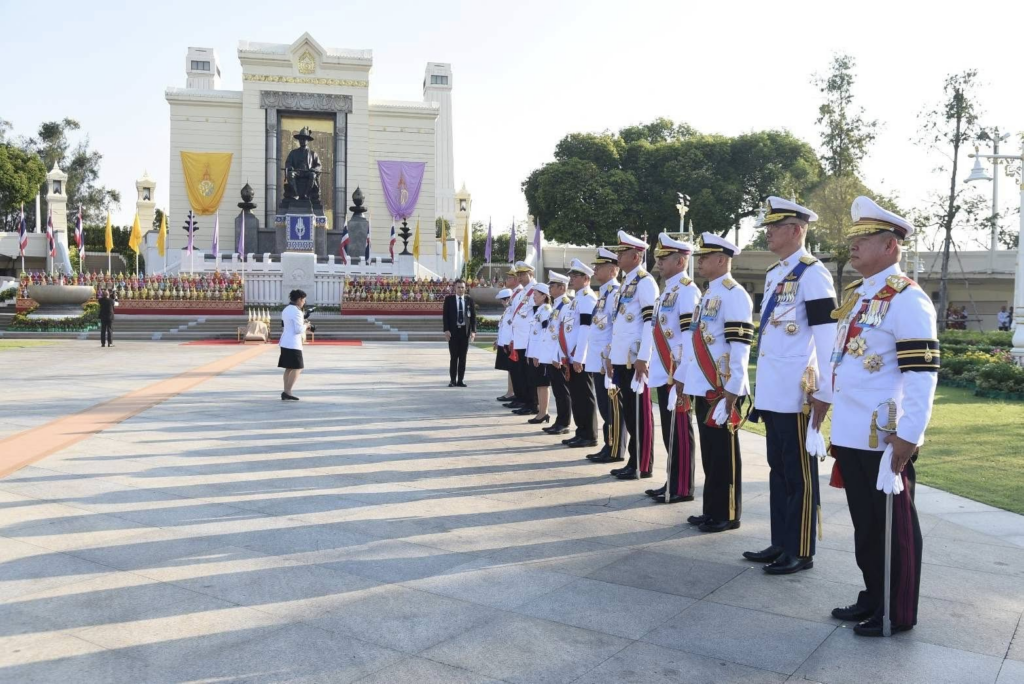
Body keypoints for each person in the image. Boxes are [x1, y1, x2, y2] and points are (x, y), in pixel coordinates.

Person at [829, 196, 938, 637]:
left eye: (865, 238)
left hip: (885, 435)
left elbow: (921, 374)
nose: (853, 245)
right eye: (853, 238)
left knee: (893, 528)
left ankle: (897, 610)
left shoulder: (908, 299)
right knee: (866, 526)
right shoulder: (860, 296)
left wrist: (910, 434)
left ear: (890, 246)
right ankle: (874, 595)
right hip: (852, 430)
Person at [743, 198, 838, 574]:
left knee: (799, 475)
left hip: (799, 393)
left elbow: (827, 338)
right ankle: (780, 541)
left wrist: (824, 392)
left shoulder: (812, 274)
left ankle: (800, 549)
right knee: (778, 470)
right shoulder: (776, 273)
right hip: (774, 390)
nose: (767, 233)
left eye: (774, 227)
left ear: (797, 230)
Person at [674, 232, 753, 533]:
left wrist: (733, 389)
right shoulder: (709, 294)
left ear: (721, 260)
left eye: (705, 257)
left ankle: (728, 513)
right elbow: (695, 340)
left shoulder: (734, 294)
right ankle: (711, 510)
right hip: (703, 384)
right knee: (710, 453)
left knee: (724, 454)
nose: (700, 262)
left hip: (722, 388)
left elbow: (740, 346)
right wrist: (683, 377)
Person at [642, 233, 701, 504]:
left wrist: (682, 374)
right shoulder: (667, 290)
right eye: (658, 258)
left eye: (664, 258)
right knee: (669, 430)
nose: (659, 262)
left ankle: (683, 486)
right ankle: (672, 480)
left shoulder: (687, 290)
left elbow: (690, 335)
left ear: (680, 261)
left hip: (676, 372)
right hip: (664, 371)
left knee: (680, 430)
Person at [609, 230, 660, 480]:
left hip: (634, 359)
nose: (618, 256)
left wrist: (644, 357)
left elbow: (651, 322)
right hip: (623, 358)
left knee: (639, 413)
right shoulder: (627, 282)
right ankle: (634, 460)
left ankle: (642, 463)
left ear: (636, 256)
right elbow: (619, 323)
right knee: (630, 412)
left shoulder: (645, 281)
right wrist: (612, 355)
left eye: (623, 252)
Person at [583, 248, 626, 464]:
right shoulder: (604, 294)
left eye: (599, 267)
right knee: (604, 406)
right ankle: (608, 445)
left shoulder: (615, 293)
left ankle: (616, 448)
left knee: (612, 408)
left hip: (607, 361)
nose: (595, 270)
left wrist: (611, 356)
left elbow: (616, 329)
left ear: (613, 270)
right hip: (598, 360)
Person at [563, 259, 600, 448]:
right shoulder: (577, 298)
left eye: (575, 276)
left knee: (584, 395)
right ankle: (581, 431)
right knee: (576, 396)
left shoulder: (587, 298)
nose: (571, 279)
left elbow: (586, 329)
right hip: (571, 355)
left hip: (580, 356)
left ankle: (590, 434)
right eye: (571, 275)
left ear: (586, 278)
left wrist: (579, 357)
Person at [543, 272, 575, 434]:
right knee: (557, 391)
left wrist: (558, 356)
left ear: (562, 288)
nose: (549, 289)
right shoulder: (557, 304)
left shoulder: (566, 305)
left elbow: (563, 333)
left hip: (558, 356)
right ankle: (559, 420)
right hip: (552, 355)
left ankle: (564, 423)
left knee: (562, 391)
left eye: (552, 286)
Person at [504, 262, 538, 412]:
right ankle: (522, 400)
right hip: (519, 339)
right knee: (520, 373)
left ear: (531, 274)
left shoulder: (535, 291)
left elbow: (537, 316)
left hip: (528, 340)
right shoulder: (522, 292)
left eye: (523, 274)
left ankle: (532, 403)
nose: (520, 277)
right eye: (518, 275)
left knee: (529, 375)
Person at [524, 283, 553, 421]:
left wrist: (538, 354)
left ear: (543, 296)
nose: (533, 297)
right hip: (534, 353)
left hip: (540, 354)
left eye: (535, 295)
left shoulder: (546, 310)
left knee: (542, 384)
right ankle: (541, 411)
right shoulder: (539, 310)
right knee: (538, 383)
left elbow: (545, 333)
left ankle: (543, 412)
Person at [443, 278, 477, 387]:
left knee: (463, 357)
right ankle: (452, 380)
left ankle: (460, 380)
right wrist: (446, 330)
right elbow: (445, 316)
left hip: (464, 332)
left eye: (462, 287)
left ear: (465, 288)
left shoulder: (469, 300)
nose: (461, 289)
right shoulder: (449, 300)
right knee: (454, 357)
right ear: (454, 288)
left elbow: (473, 317)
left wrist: (473, 331)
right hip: (453, 332)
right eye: (458, 287)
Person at [279, 289, 309, 400]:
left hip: (285, 341)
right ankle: (287, 391)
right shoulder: (297, 312)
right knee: (298, 367)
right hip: (293, 343)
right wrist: (307, 325)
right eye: (304, 300)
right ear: (299, 299)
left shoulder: (286, 309)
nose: (304, 302)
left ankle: (286, 390)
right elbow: (298, 330)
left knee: (289, 368)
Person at [494, 287, 516, 401]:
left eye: (502, 300)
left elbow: (512, 329)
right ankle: (510, 391)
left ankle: (512, 392)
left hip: (509, 345)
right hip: (504, 344)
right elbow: (503, 328)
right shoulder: (507, 311)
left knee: (512, 370)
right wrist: (498, 340)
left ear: (507, 299)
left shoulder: (512, 311)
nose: (501, 303)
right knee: (509, 370)